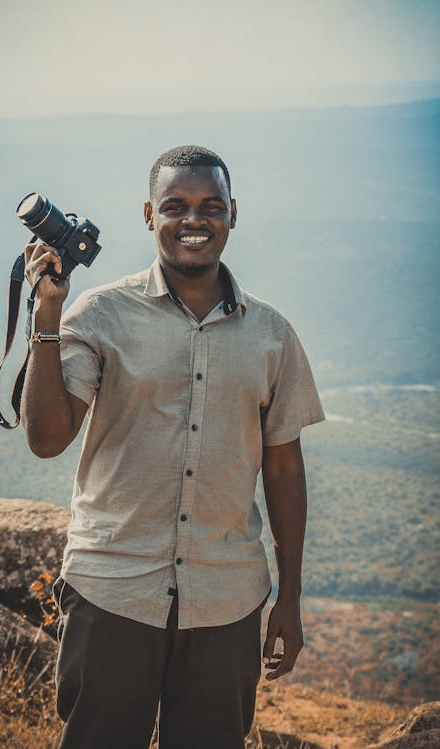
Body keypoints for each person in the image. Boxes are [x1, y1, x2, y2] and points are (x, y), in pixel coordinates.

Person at [21, 145, 325, 749]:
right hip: (113, 590)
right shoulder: (100, 314)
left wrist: (289, 598)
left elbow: (285, 469)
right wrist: (47, 318)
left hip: (227, 600)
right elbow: (48, 439)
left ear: (233, 213)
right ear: (148, 214)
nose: (195, 220)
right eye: (175, 206)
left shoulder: (272, 335)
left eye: (211, 206)